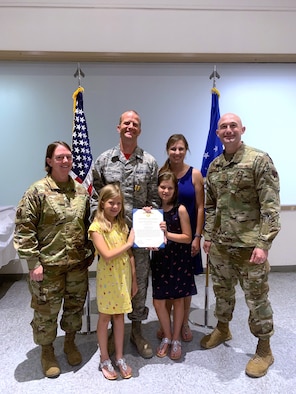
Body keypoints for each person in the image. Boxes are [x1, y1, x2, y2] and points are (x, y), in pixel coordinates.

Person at [200, 113, 281, 378]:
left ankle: (264, 350)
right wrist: (208, 236)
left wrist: (263, 243)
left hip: (250, 248)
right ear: (218, 133)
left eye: (233, 126)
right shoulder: (214, 166)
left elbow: (270, 207)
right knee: (223, 293)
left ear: (242, 129)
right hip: (222, 246)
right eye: (223, 127)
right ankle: (223, 328)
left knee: (257, 300)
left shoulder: (258, 160)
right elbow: (210, 206)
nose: (228, 130)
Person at [14, 141, 94, 378]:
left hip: (77, 265)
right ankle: (47, 351)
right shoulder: (36, 192)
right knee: (45, 312)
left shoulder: (81, 192)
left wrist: (89, 252)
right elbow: (24, 228)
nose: (65, 161)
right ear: (49, 161)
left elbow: (89, 225)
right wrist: (33, 263)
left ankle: (69, 342)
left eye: (68, 157)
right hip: (47, 267)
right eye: (60, 157)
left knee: (74, 308)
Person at [92, 110, 159, 358]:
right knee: (112, 286)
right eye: (126, 123)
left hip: (140, 238)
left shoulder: (149, 162)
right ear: (118, 127)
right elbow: (94, 199)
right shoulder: (103, 161)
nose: (130, 126)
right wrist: (102, 228)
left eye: (135, 124)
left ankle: (137, 331)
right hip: (112, 239)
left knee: (138, 286)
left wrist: (153, 227)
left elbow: (155, 199)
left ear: (139, 130)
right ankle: (112, 331)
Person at [88, 184, 137, 380]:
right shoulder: (96, 227)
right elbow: (107, 255)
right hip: (108, 280)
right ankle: (104, 358)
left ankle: (119, 356)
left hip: (123, 276)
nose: (115, 207)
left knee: (119, 317)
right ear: (102, 203)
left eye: (119, 203)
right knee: (105, 317)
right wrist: (128, 243)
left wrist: (133, 279)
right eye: (111, 202)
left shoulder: (122, 224)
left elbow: (130, 254)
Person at [159, 134, 204, 342]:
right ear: (167, 150)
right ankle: (167, 324)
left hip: (187, 237)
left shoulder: (195, 174)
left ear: (186, 150)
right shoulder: (161, 173)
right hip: (166, 240)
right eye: (173, 149)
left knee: (185, 286)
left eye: (181, 149)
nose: (177, 153)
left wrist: (197, 237)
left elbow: (201, 207)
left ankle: (184, 322)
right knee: (166, 282)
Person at [151, 171, 195, 360]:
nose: (166, 190)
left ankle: (176, 339)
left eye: (170, 187)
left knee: (178, 300)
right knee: (158, 300)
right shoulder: (152, 212)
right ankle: (167, 337)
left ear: (175, 189)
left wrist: (167, 234)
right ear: (157, 188)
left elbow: (187, 238)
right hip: (160, 260)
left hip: (179, 260)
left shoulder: (181, 210)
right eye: (162, 187)